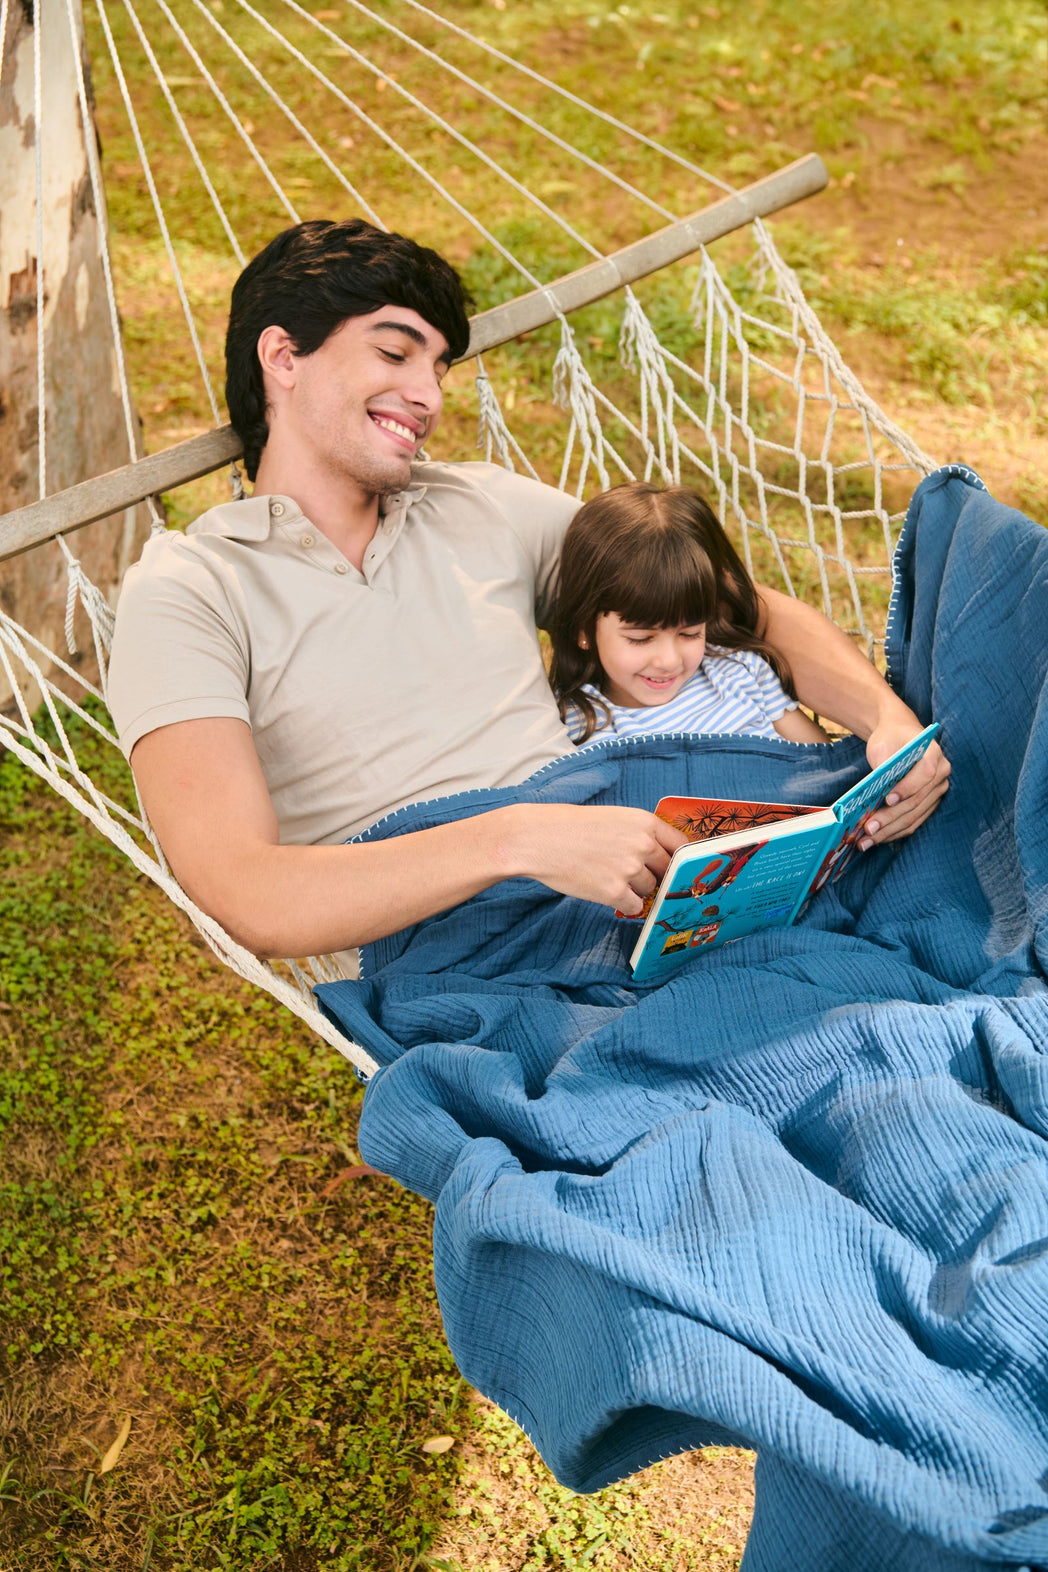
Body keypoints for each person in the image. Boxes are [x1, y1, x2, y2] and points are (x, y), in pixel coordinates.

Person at [105, 218, 949, 967]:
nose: (430, 397)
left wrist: (887, 723)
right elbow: (248, 893)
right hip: (475, 941)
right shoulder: (190, 592)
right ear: (284, 357)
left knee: (985, 561)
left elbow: (735, 608)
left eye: (438, 367)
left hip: (641, 877)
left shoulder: (479, 504)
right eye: (395, 353)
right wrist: (518, 840)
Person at [548, 482, 830, 747]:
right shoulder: (581, 721)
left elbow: (822, 765)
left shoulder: (739, 672)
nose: (669, 661)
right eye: (641, 638)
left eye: (690, 633)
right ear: (584, 629)